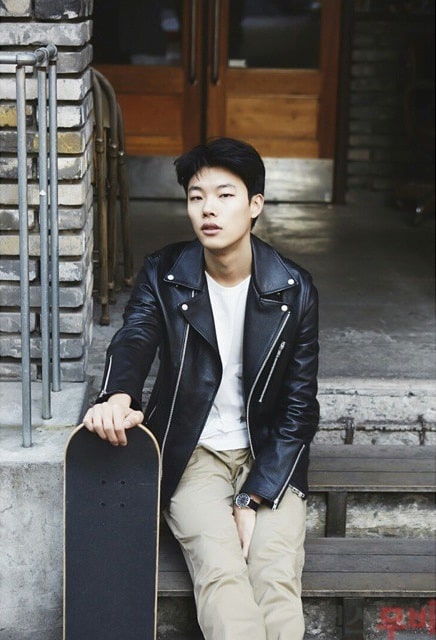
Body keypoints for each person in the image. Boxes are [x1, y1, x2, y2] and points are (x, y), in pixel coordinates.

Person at [83, 137, 319, 640]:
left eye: (225, 195)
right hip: (192, 454)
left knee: (275, 576)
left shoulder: (294, 289)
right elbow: (135, 336)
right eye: (196, 196)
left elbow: (300, 408)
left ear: (255, 205)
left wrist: (254, 496)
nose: (208, 208)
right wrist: (117, 395)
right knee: (222, 573)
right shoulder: (165, 273)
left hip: (269, 456)